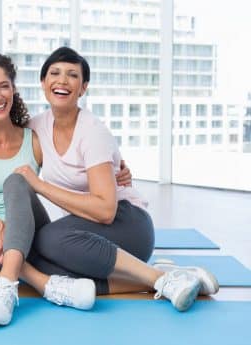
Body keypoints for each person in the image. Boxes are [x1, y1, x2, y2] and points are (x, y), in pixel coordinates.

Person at [11, 46, 219, 312]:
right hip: (88, 235)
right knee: (38, 264)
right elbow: (1, 132)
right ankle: (166, 277)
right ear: (43, 83)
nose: (62, 80)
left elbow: (106, 211)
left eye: (72, 75)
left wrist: (39, 185)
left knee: (48, 240)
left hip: (127, 225)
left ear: (83, 87)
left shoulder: (93, 132)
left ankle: (161, 278)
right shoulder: (36, 126)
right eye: (55, 73)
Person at [0, 53, 128, 326]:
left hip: (29, 239)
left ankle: (11, 281)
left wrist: (117, 168)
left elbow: (73, 163)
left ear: (13, 90)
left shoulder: (34, 138)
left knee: (17, 181)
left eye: (4, 86)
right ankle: (41, 283)